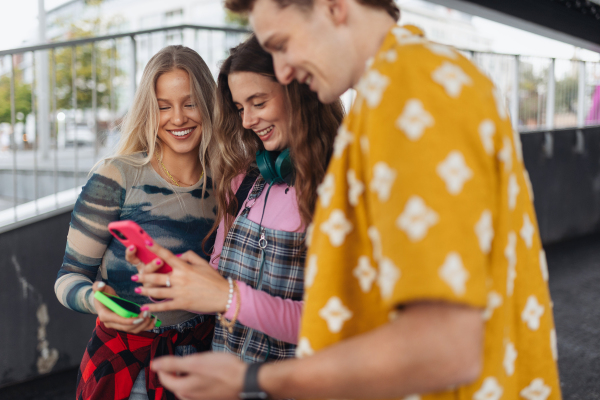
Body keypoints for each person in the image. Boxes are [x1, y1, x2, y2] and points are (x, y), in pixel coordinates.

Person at [147, 1, 563, 400]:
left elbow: (444, 348)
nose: (284, 69)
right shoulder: (414, 82)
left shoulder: (412, 91)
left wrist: (252, 380)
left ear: (333, 7)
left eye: (282, 43)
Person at [128, 34, 344, 364]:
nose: (246, 121)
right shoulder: (244, 181)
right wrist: (177, 276)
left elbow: (331, 323)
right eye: (240, 108)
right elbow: (219, 279)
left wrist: (228, 296)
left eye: (258, 103)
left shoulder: (344, 190)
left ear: (302, 93)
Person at [54, 45, 218, 400]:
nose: (178, 118)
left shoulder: (231, 182)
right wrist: (95, 301)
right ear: (148, 110)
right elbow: (68, 276)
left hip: (207, 357)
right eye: (163, 106)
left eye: (190, 103)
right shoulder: (116, 176)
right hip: (128, 365)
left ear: (209, 105)